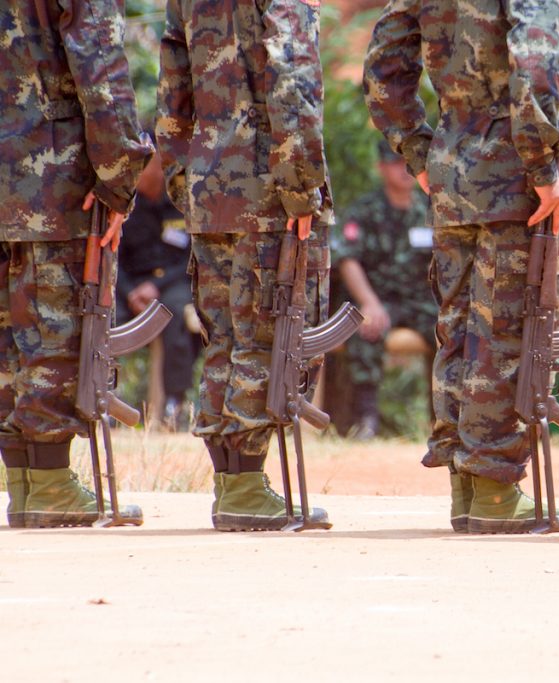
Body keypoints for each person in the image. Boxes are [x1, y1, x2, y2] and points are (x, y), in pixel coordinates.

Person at [364, 0, 559, 534]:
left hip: (452, 166)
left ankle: (466, 481)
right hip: (511, 174)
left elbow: (382, 69)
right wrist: (542, 164)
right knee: (504, 331)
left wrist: (420, 155)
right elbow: (533, 64)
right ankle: (494, 491)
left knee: (459, 329)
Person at [157, 0, 333, 531]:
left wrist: (181, 176)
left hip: (209, 180)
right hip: (268, 184)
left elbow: (172, 84)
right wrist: (303, 188)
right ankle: (246, 490)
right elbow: (291, 74)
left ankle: (234, 483)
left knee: (226, 338)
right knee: (262, 335)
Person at [0, 0, 152, 527]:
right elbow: (99, 61)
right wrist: (119, 175)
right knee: (54, 327)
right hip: (49, 170)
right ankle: (48, 484)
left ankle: (24, 481)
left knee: (8, 333)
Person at [332, 139, 436, 440]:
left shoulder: (430, 211)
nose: (404, 169)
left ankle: (445, 420)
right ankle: (365, 420)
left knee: (453, 333)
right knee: (365, 330)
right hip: (379, 300)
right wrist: (369, 303)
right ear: (381, 167)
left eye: (410, 163)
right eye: (395, 162)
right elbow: (347, 259)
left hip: (420, 303)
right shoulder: (365, 210)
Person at [116, 144, 198, 431]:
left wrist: (155, 286)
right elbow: (113, 256)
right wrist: (130, 292)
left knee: (177, 314)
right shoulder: (124, 203)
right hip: (130, 286)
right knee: (104, 318)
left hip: (170, 283)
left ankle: (175, 405)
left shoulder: (179, 202)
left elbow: (190, 256)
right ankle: (105, 396)